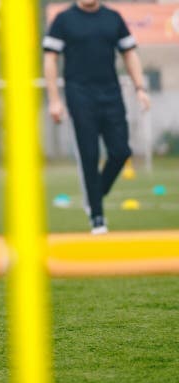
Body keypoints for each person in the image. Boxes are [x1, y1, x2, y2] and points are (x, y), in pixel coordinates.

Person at [44, 0, 150, 235]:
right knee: (89, 155)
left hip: (111, 94)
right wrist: (54, 100)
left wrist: (140, 88)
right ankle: (98, 219)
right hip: (79, 95)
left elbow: (129, 53)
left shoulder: (113, 18)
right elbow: (50, 59)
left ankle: (95, 195)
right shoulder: (63, 20)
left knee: (121, 151)